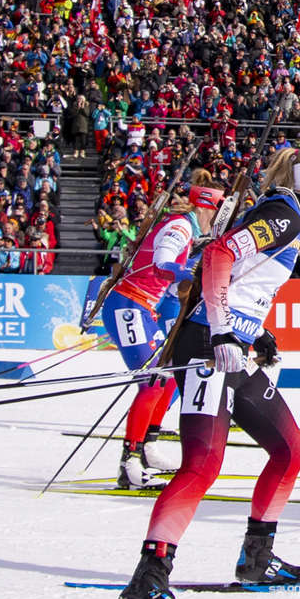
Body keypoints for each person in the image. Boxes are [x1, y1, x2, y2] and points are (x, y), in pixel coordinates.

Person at [118, 142, 300, 599]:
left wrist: (253, 332)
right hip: (208, 345)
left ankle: (257, 558)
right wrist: (224, 329)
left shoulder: (291, 216)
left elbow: (242, 276)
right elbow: (219, 255)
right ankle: (149, 581)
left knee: (289, 450)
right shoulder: (286, 215)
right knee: (201, 465)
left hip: (229, 345)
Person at [99, 175, 223, 490]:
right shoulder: (180, 227)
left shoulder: (188, 229)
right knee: (152, 382)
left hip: (142, 307)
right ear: (205, 209)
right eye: (216, 214)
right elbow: (161, 264)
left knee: (166, 376)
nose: (216, 222)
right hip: (128, 306)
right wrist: (189, 271)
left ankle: (147, 447)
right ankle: (129, 463)